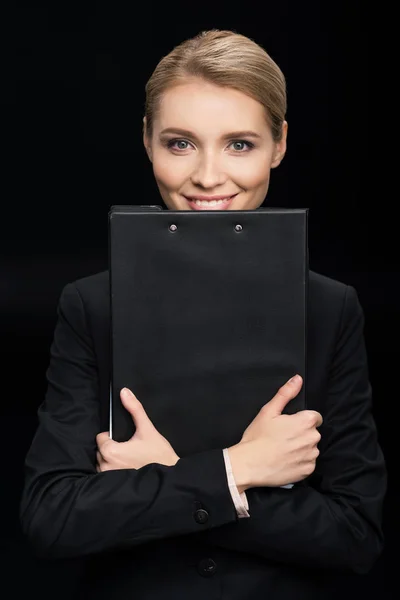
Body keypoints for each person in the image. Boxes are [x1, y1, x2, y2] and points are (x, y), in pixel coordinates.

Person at [19, 29, 387, 599]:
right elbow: (53, 518)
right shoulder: (91, 305)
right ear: (147, 141)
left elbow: (355, 535)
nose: (209, 177)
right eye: (180, 143)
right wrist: (235, 471)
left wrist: (164, 475)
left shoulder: (330, 308)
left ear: (279, 144)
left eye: (240, 143)